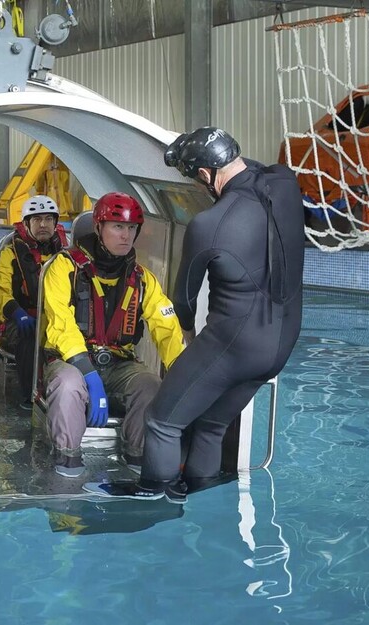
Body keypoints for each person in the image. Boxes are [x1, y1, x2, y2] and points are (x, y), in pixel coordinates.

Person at [93, 126, 305, 503]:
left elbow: (184, 302)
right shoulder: (284, 183)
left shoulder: (209, 225)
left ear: (205, 176)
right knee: (211, 423)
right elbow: (249, 168)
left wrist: (191, 342)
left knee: (162, 420)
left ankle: (153, 496)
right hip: (281, 344)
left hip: (234, 343)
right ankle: (201, 495)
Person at [41, 192, 184, 478]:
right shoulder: (64, 267)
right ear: (98, 227)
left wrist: (184, 375)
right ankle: (66, 463)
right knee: (68, 387)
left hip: (120, 364)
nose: (126, 236)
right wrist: (88, 373)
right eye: (117, 227)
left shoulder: (143, 279)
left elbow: (167, 328)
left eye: (131, 228)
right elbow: (61, 323)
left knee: (152, 386)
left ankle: (136, 461)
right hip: (71, 363)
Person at [0, 194, 68, 410]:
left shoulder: (67, 255)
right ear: (26, 224)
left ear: (55, 223)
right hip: (22, 320)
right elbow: (1, 292)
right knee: (31, 339)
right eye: (36, 220)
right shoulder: (11, 254)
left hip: (57, 318)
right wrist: (18, 313)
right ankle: (29, 397)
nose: (43, 224)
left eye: (48, 219)